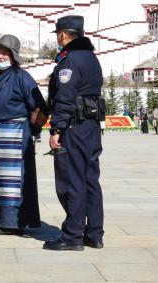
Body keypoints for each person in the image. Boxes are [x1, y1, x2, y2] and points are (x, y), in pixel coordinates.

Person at [44, 15, 104, 252]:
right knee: (90, 179)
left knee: (71, 179)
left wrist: (57, 128)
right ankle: (94, 233)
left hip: (73, 127)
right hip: (90, 127)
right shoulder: (91, 58)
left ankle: (72, 235)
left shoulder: (69, 61)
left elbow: (66, 99)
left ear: (62, 34)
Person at [0, 34, 48, 236]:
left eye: (4, 52)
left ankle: (12, 223)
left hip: (16, 133)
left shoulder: (22, 77)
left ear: (13, 56)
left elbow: (39, 106)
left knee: (12, 182)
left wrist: (32, 130)